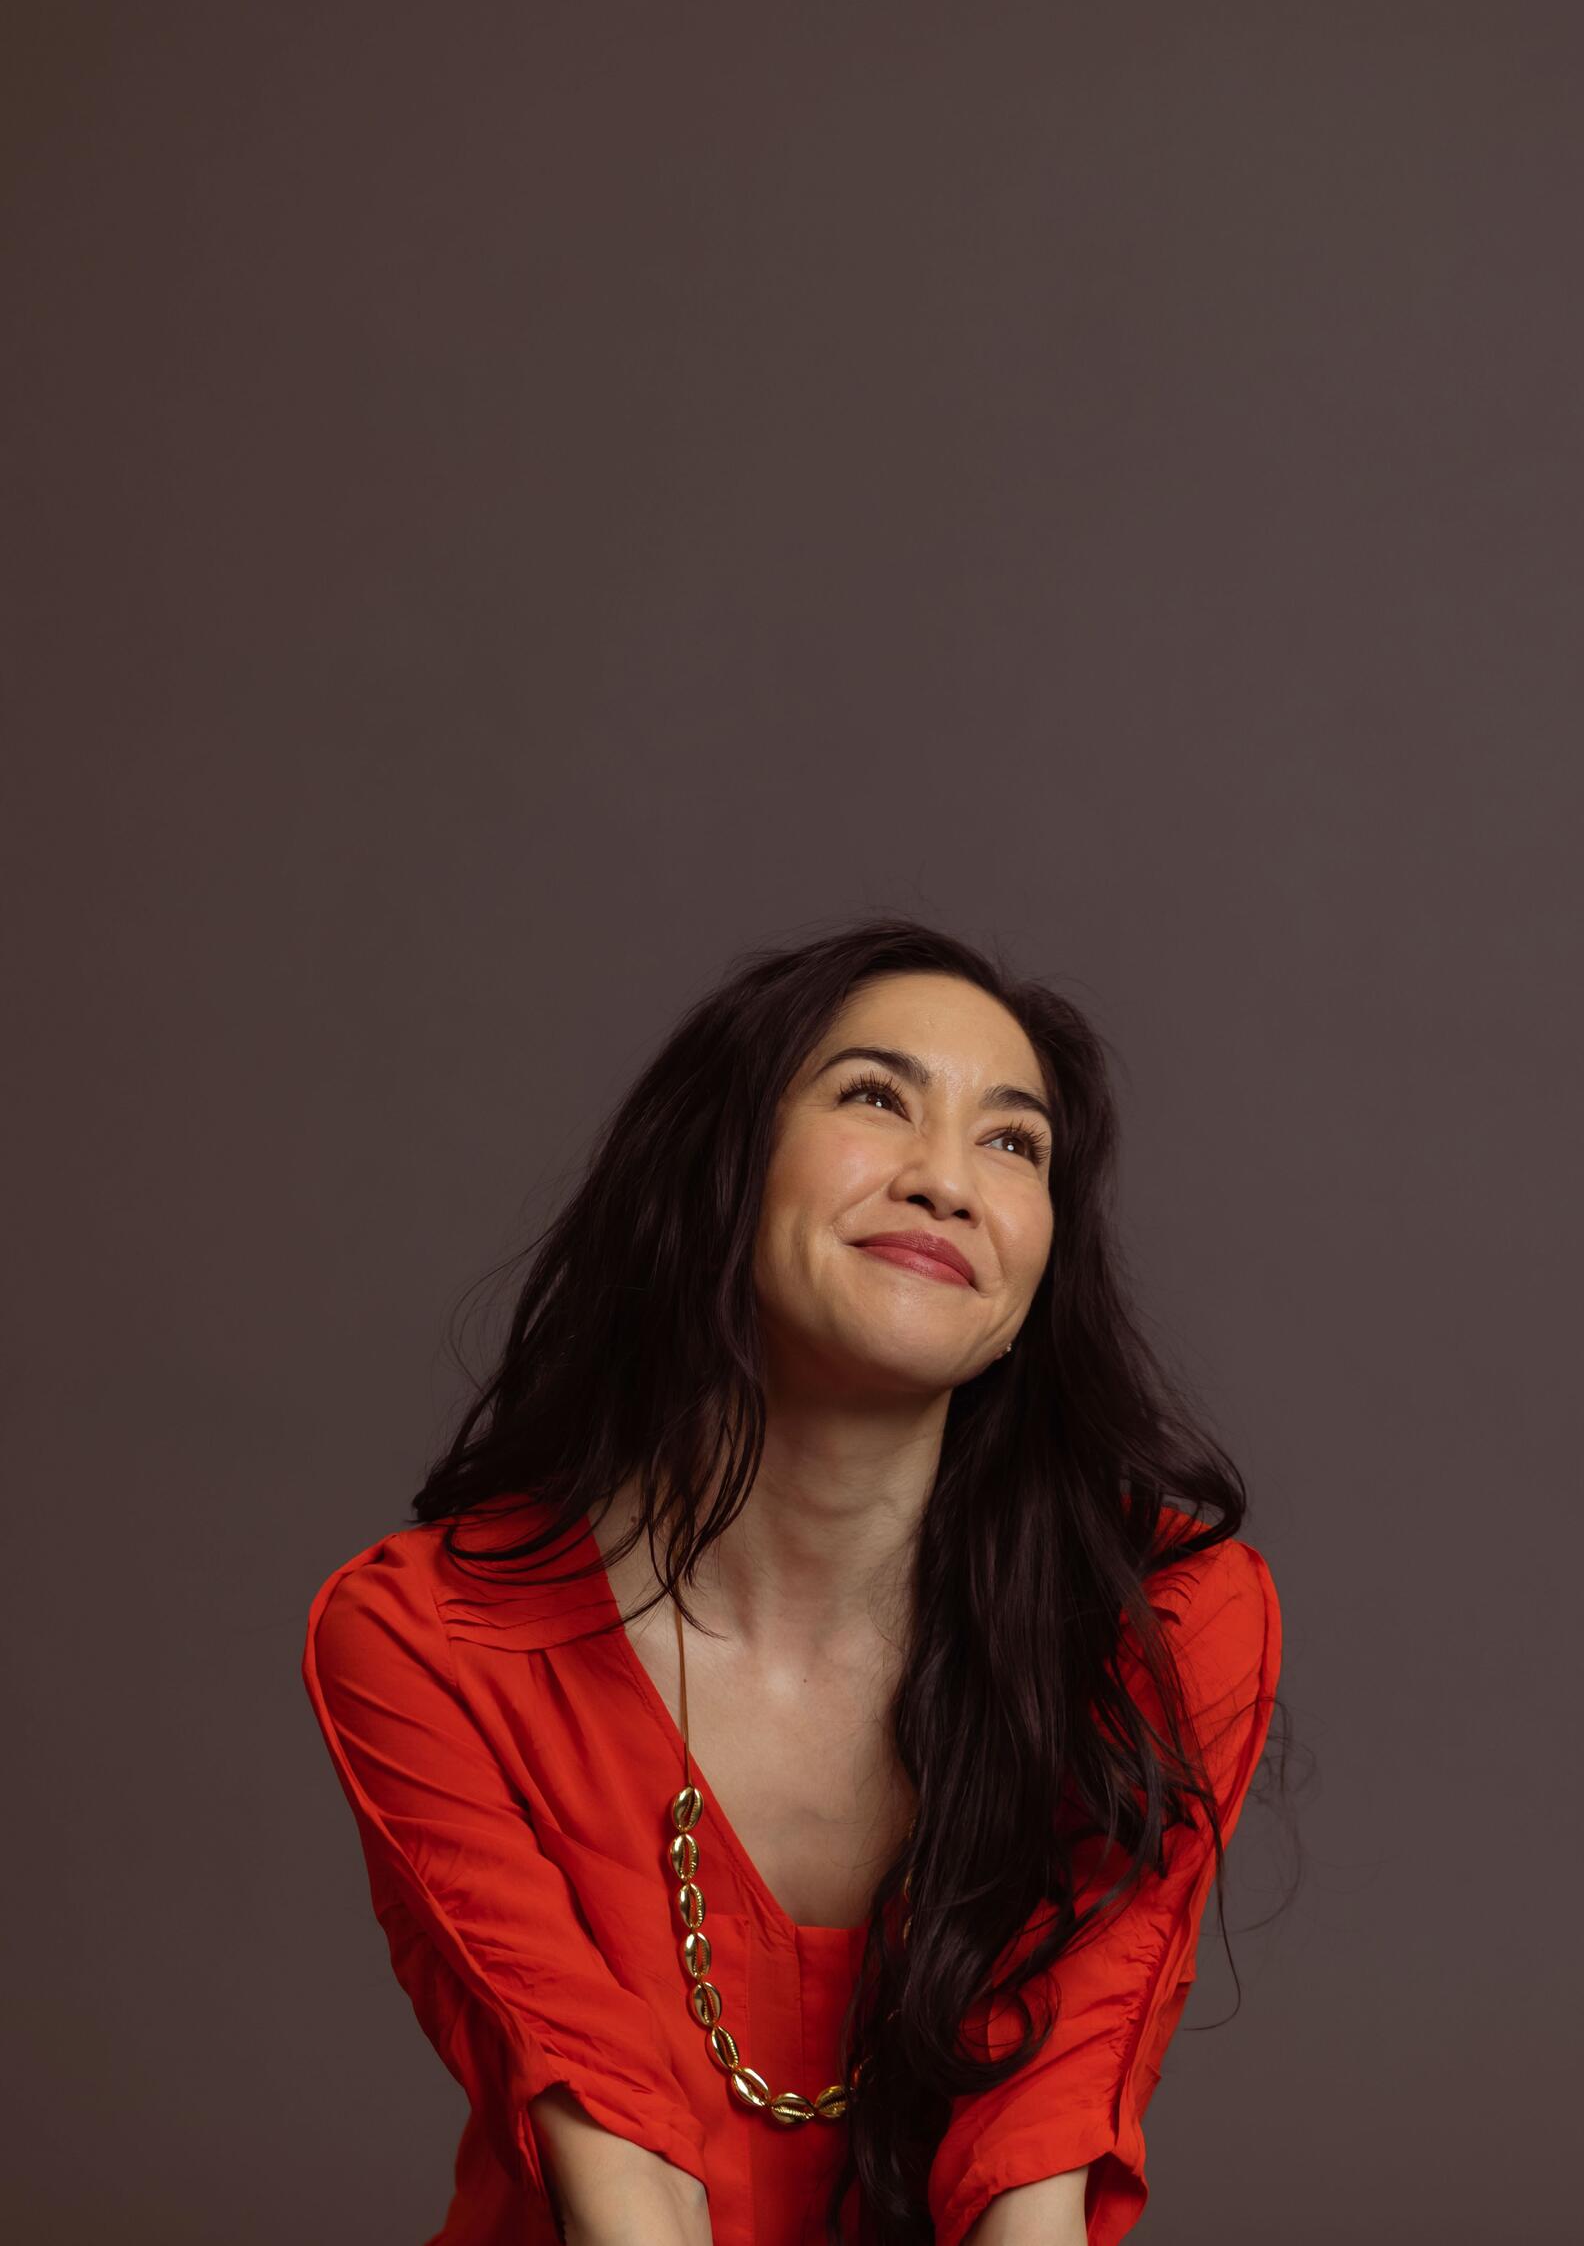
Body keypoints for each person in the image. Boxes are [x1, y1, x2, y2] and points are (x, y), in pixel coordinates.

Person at [302, 917, 1285, 2246]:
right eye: (877, 1098)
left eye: (1014, 1143)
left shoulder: (1161, 1622)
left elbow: (1036, 2183)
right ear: (721, 1170)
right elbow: (622, 2193)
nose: (949, 1182)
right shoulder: (433, 1636)